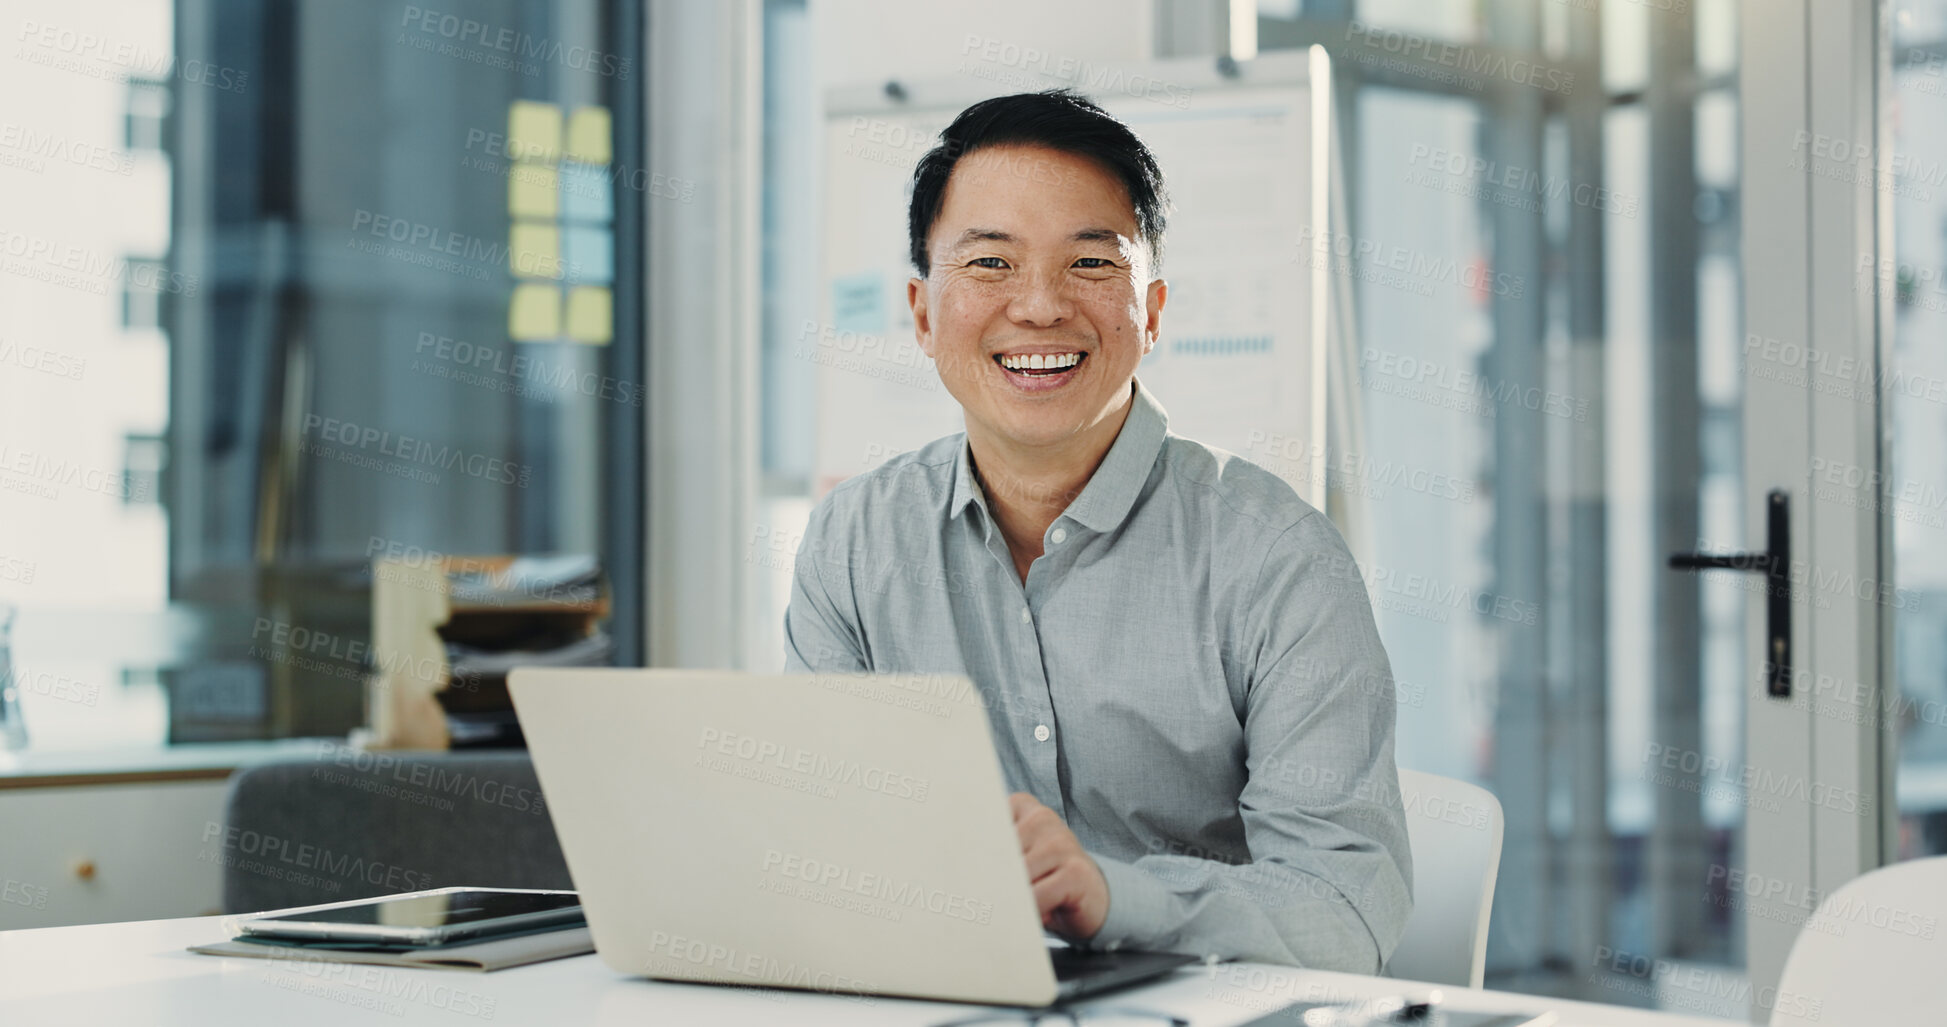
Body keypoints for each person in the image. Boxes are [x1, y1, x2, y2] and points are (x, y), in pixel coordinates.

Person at [784, 89, 1411, 972]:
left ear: (1151, 312)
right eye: (991, 264)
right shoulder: (854, 542)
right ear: (923, 315)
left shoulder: (1277, 559)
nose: (1038, 307)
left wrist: (1116, 899)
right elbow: (818, 846)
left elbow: (1346, 910)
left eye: (1089, 263)